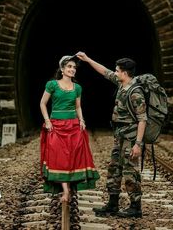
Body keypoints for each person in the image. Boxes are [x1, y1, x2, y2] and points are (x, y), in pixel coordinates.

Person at [76, 51, 147, 218]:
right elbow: (104, 71)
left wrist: (138, 144)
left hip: (130, 136)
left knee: (130, 171)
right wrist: (87, 59)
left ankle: (136, 207)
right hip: (119, 135)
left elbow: (143, 119)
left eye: (117, 70)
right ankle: (112, 204)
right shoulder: (121, 83)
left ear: (124, 72)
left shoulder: (135, 92)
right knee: (114, 169)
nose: (115, 72)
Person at [40, 55, 100, 203]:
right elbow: (42, 103)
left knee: (74, 156)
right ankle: (66, 191)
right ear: (62, 69)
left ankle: (71, 186)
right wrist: (47, 121)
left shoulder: (77, 87)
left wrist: (82, 120)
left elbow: (78, 106)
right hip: (56, 126)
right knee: (59, 157)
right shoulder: (52, 85)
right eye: (69, 67)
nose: (72, 69)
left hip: (73, 125)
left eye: (74, 67)